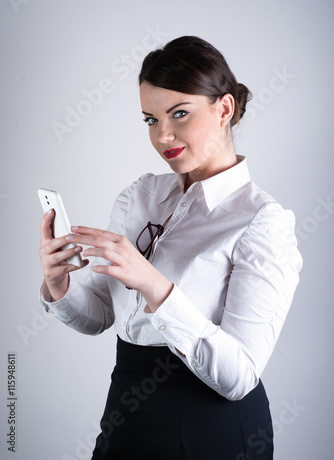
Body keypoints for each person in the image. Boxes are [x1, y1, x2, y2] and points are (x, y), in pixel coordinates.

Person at [39, 36, 303, 460]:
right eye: (150, 119)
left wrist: (155, 286)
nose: (163, 135)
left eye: (180, 113)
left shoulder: (262, 221)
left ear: (224, 109)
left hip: (212, 424)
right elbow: (101, 317)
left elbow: (239, 377)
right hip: (126, 410)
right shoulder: (140, 195)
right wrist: (59, 284)